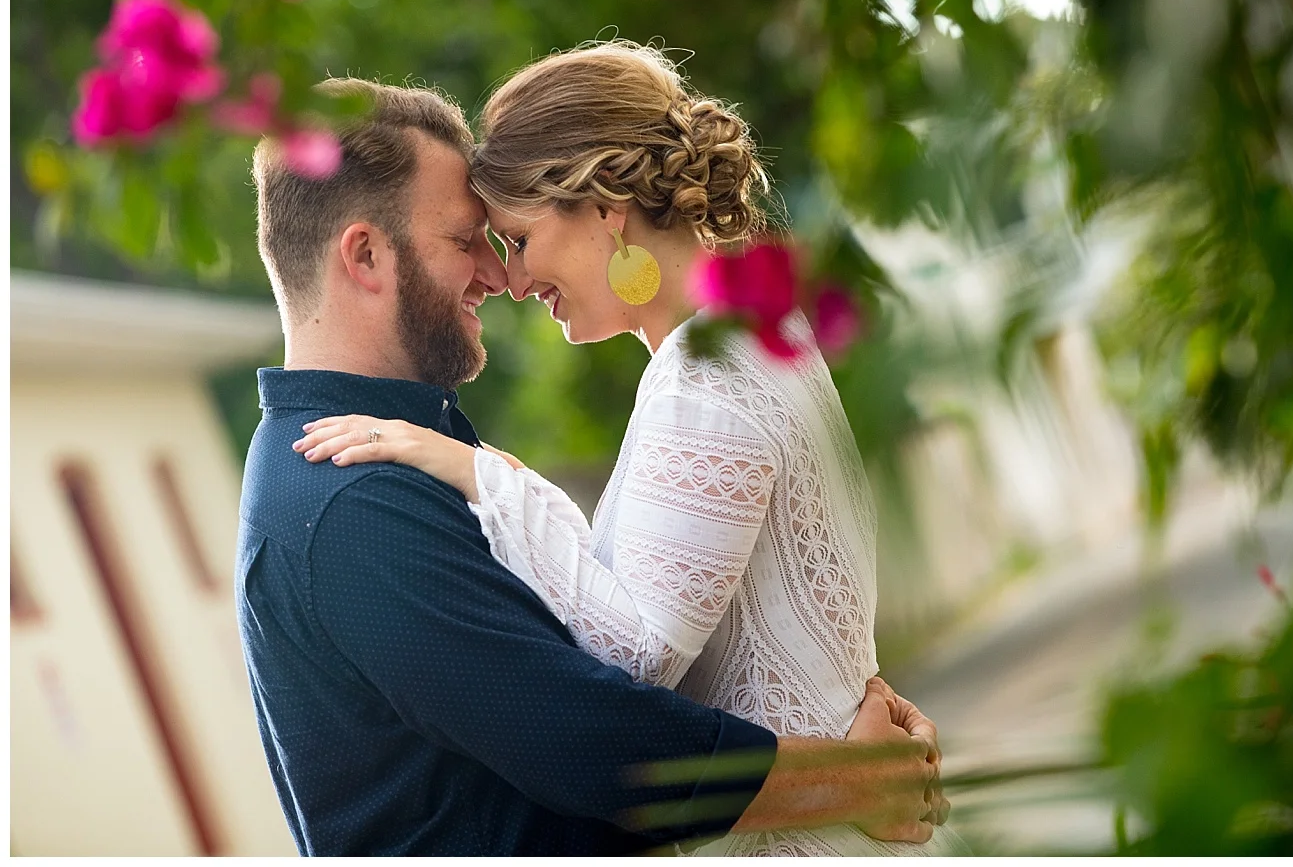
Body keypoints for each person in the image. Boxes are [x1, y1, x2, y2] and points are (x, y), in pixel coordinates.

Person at [236, 77, 947, 857]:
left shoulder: (399, 453)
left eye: (507, 238)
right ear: (367, 254)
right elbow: (603, 743)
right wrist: (855, 776)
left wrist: (830, 694)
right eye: (467, 240)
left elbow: (616, 649)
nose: (499, 277)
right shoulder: (348, 496)